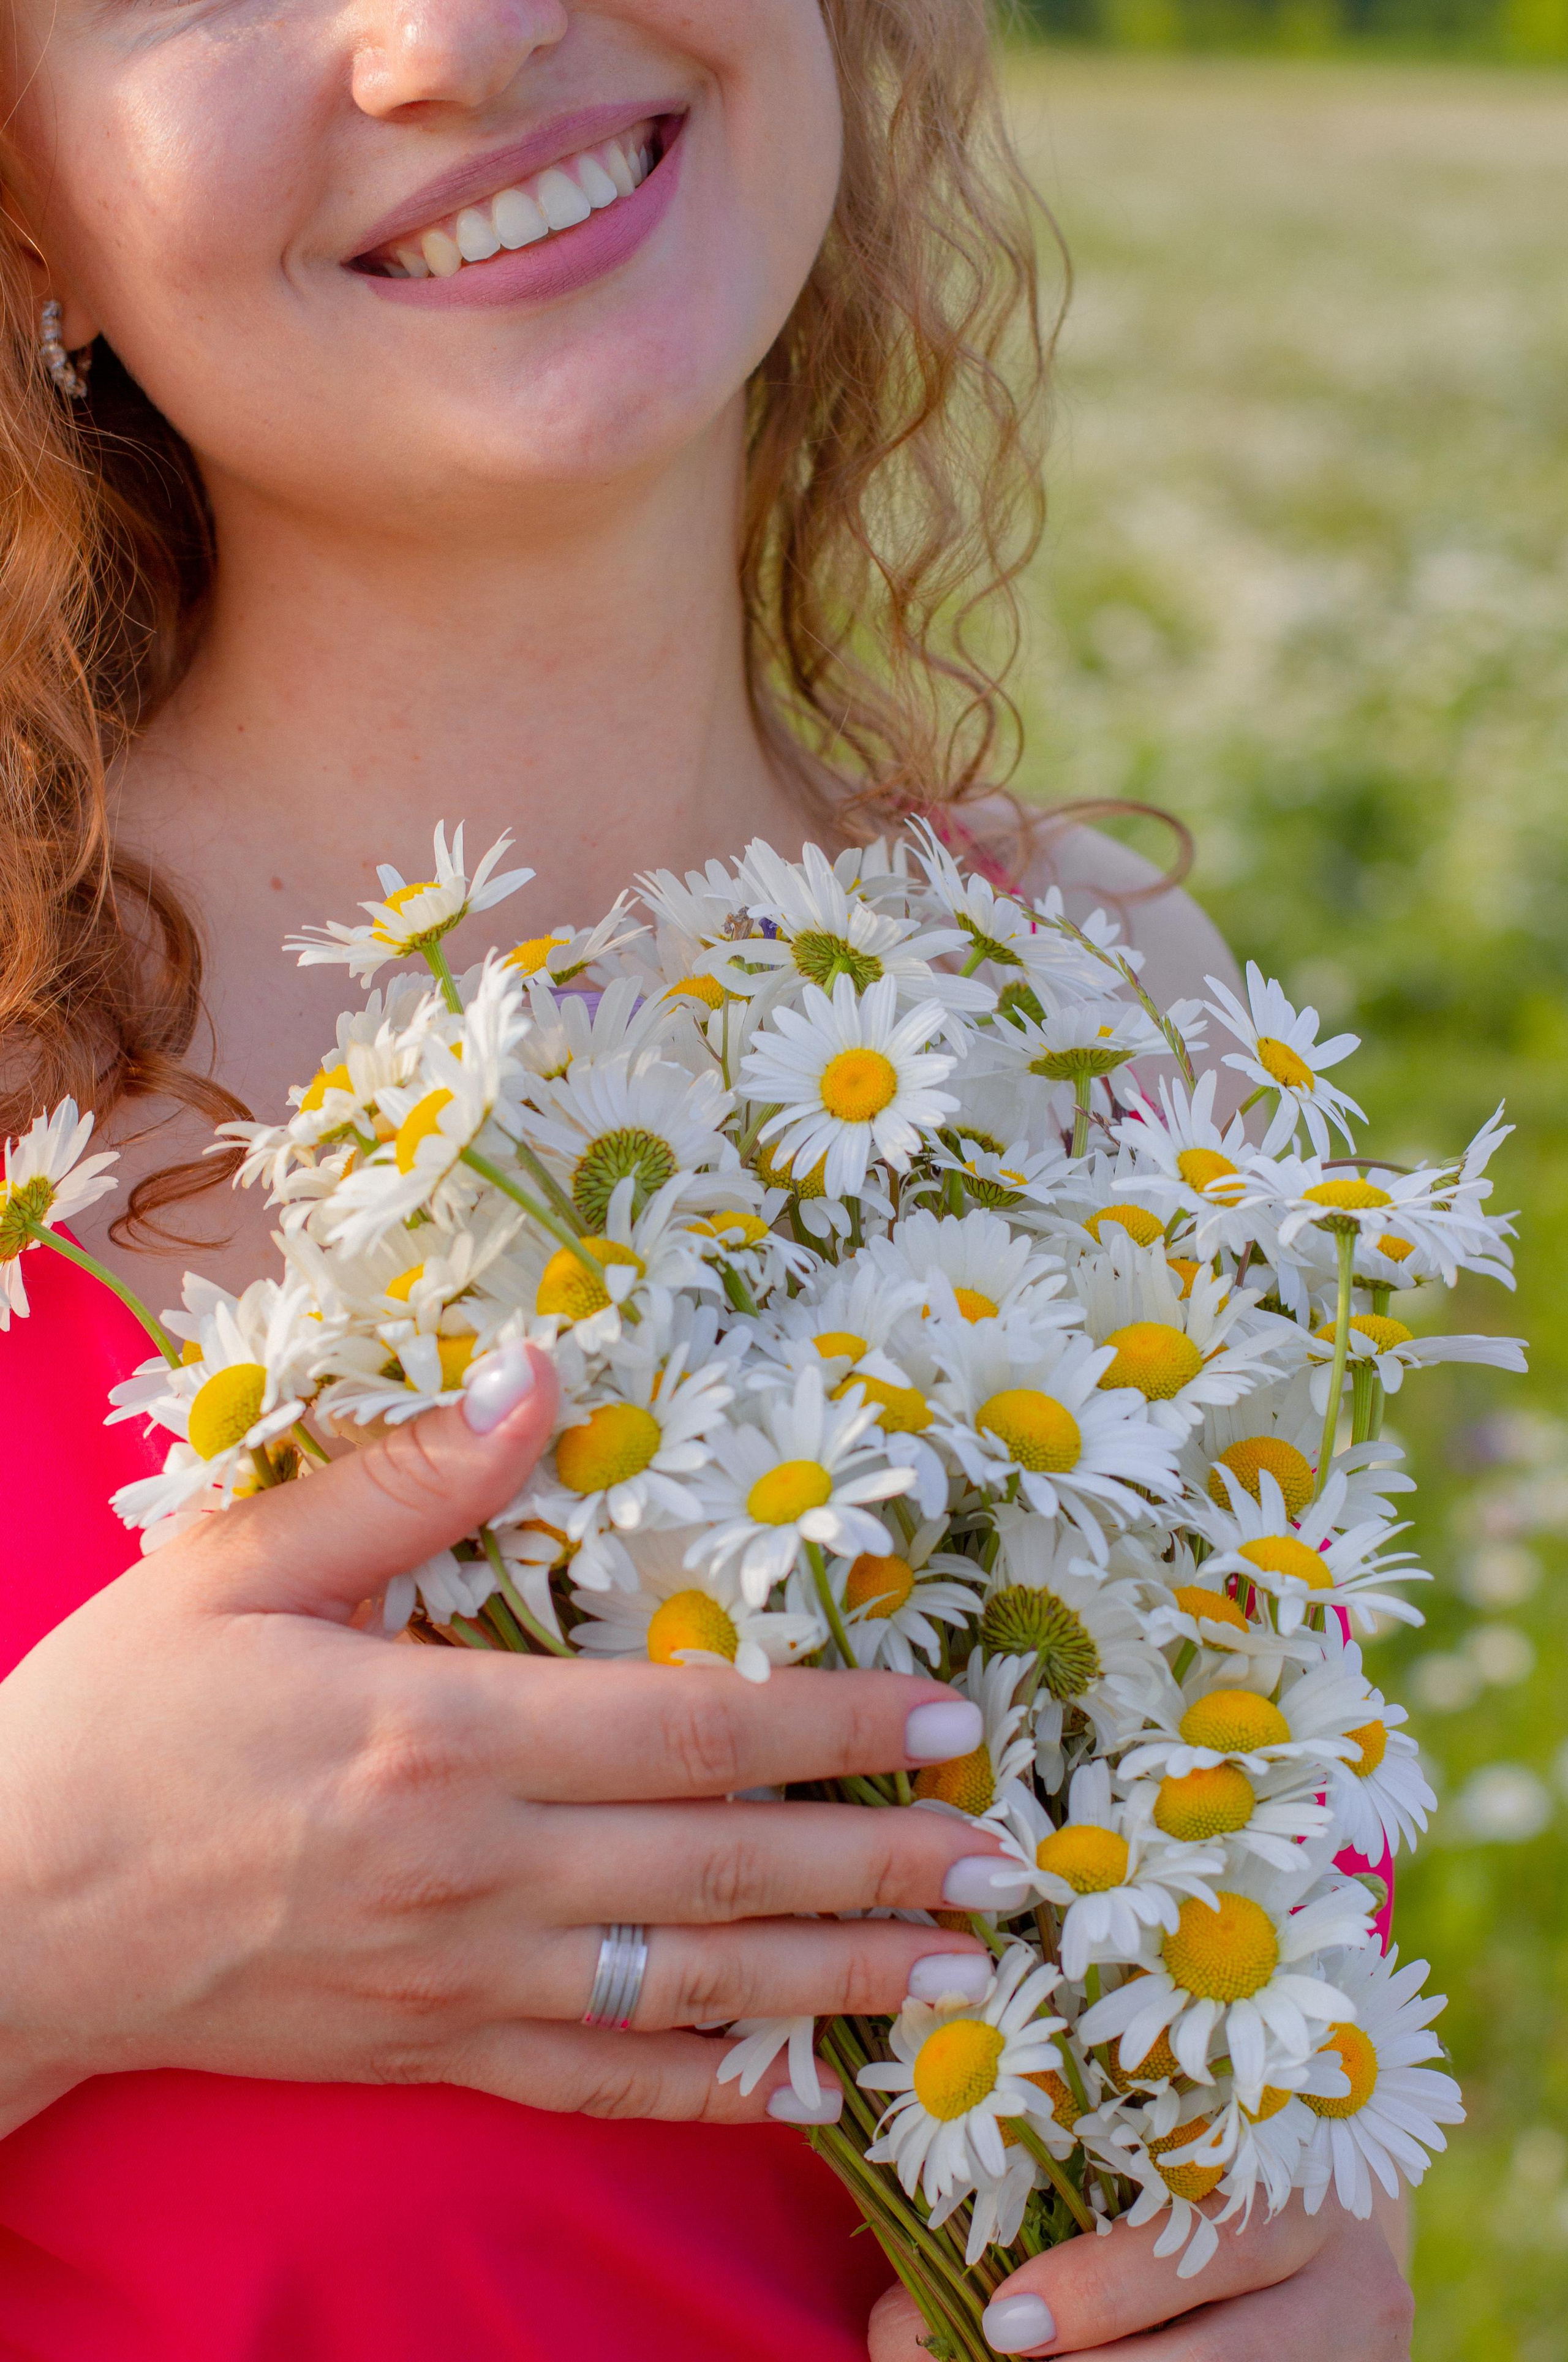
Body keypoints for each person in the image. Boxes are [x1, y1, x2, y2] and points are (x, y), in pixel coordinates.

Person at [0, 1, 1415, 2355]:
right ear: (28, 199)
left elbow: (1271, 2078)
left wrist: (1304, 2296)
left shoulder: (1121, 1003)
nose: (453, 36)